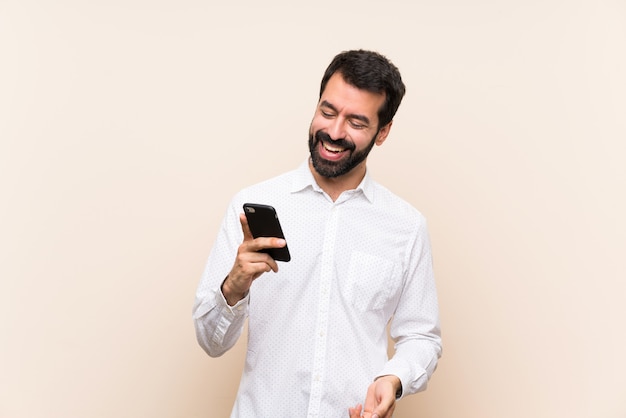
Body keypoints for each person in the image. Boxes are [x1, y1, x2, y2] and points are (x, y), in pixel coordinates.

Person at [193, 49, 442, 418]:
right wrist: (234, 286)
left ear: (383, 131)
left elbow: (422, 337)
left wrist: (393, 379)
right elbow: (210, 343)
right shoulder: (252, 204)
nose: (334, 132)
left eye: (357, 122)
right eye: (327, 112)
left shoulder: (405, 226)